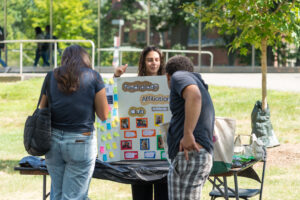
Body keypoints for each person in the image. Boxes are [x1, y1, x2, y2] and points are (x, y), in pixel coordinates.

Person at [39, 44, 109, 200]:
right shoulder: (94, 77)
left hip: (52, 141)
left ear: (64, 59)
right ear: (85, 58)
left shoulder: (51, 76)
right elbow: (104, 114)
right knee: (75, 196)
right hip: (81, 141)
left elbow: (41, 108)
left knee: (56, 193)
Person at [114, 46, 168, 200]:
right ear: (143, 62)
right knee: (140, 196)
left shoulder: (169, 83)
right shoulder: (133, 83)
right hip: (138, 156)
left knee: (163, 195)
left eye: (157, 60)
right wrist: (116, 76)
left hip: (163, 154)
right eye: (150, 60)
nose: (154, 63)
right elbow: (113, 95)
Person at [165, 55, 215, 200]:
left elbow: (194, 95)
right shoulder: (197, 81)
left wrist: (188, 134)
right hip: (194, 155)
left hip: (190, 154)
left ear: (167, 76)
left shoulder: (178, 76)